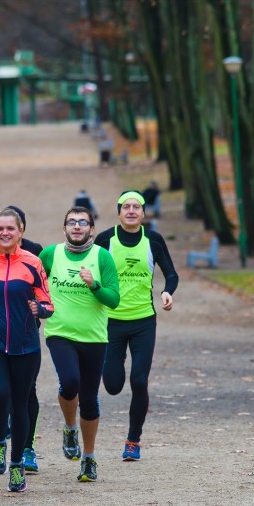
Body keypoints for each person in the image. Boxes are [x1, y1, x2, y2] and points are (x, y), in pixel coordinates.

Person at [94, 190, 178, 462]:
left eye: (136, 207)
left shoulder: (153, 240)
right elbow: (90, 274)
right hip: (110, 321)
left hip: (143, 321)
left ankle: (133, 440)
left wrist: (168, 292)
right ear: (119, 212)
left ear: (143, 213)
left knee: (139, 380)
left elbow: (171, 273)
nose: (131, 211)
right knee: (113, 385)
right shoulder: (106, 239)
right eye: (126, 207)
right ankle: (129, 431)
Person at [0, 208, 53, 492]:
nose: (5, 233)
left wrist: (39, 308)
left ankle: (17, 464)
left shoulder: (33, 263)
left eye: (10, 228)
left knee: (20, 404)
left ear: (20, 232)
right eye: (0, 229)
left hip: (25, 344)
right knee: (1, 392)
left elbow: (48, 303)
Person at [39, 207, 119, 482]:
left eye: (82, 222)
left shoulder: (102, 257)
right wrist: (37, 306)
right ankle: (70, 427)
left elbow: (114, 300)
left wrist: (95, 285)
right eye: (71, 222)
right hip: (60, 332)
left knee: (89, 400)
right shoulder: (50, 254)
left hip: (95, 337)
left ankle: (88, 458)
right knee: (70, 381)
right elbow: (34, 283)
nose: (76, 226)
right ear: (64, 229)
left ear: (92, 229)